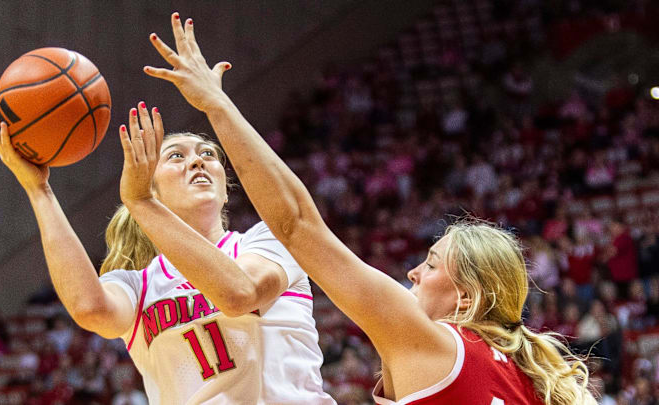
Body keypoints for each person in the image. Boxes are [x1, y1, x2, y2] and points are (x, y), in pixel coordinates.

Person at [142, 13, 597, 404]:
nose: (414, 273)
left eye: (432, 264)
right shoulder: (529, 379)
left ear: (468, 297)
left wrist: (216, 105)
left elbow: (297, 225)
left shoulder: (437, 346)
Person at [0, 86, 333, 405]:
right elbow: (88, 308)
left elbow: (239, 293)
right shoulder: (137, 287)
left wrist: (140, 203)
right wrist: (39, 191)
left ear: (226, 190)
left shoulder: (269, 240)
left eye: (207, 154)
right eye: (176, 157)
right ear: (152, 191)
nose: (197, 161)